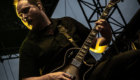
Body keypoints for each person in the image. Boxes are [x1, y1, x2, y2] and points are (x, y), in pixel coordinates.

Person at [14, 0, 140, 80]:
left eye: (26, 10)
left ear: (39, 5)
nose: (24, 17)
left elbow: (96, 46)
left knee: (135, 56)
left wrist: (107, 37)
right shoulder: (28, 46)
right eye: (20, 16)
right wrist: (50, 77)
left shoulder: (67, 22)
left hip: (93, 71)